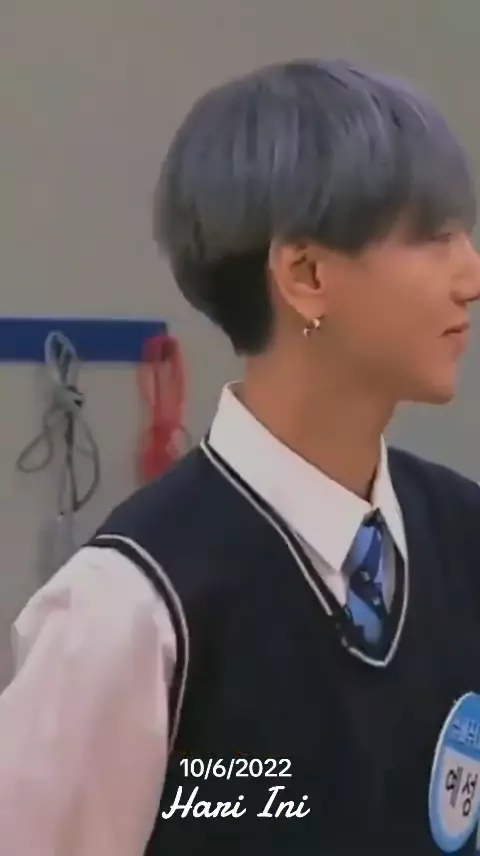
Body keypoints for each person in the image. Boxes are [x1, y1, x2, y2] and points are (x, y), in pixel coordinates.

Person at [0, 58, 480, 856]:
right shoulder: (130, 610)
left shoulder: (463, 536)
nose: (471, 277)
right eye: (433, 238)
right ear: (306, 274)